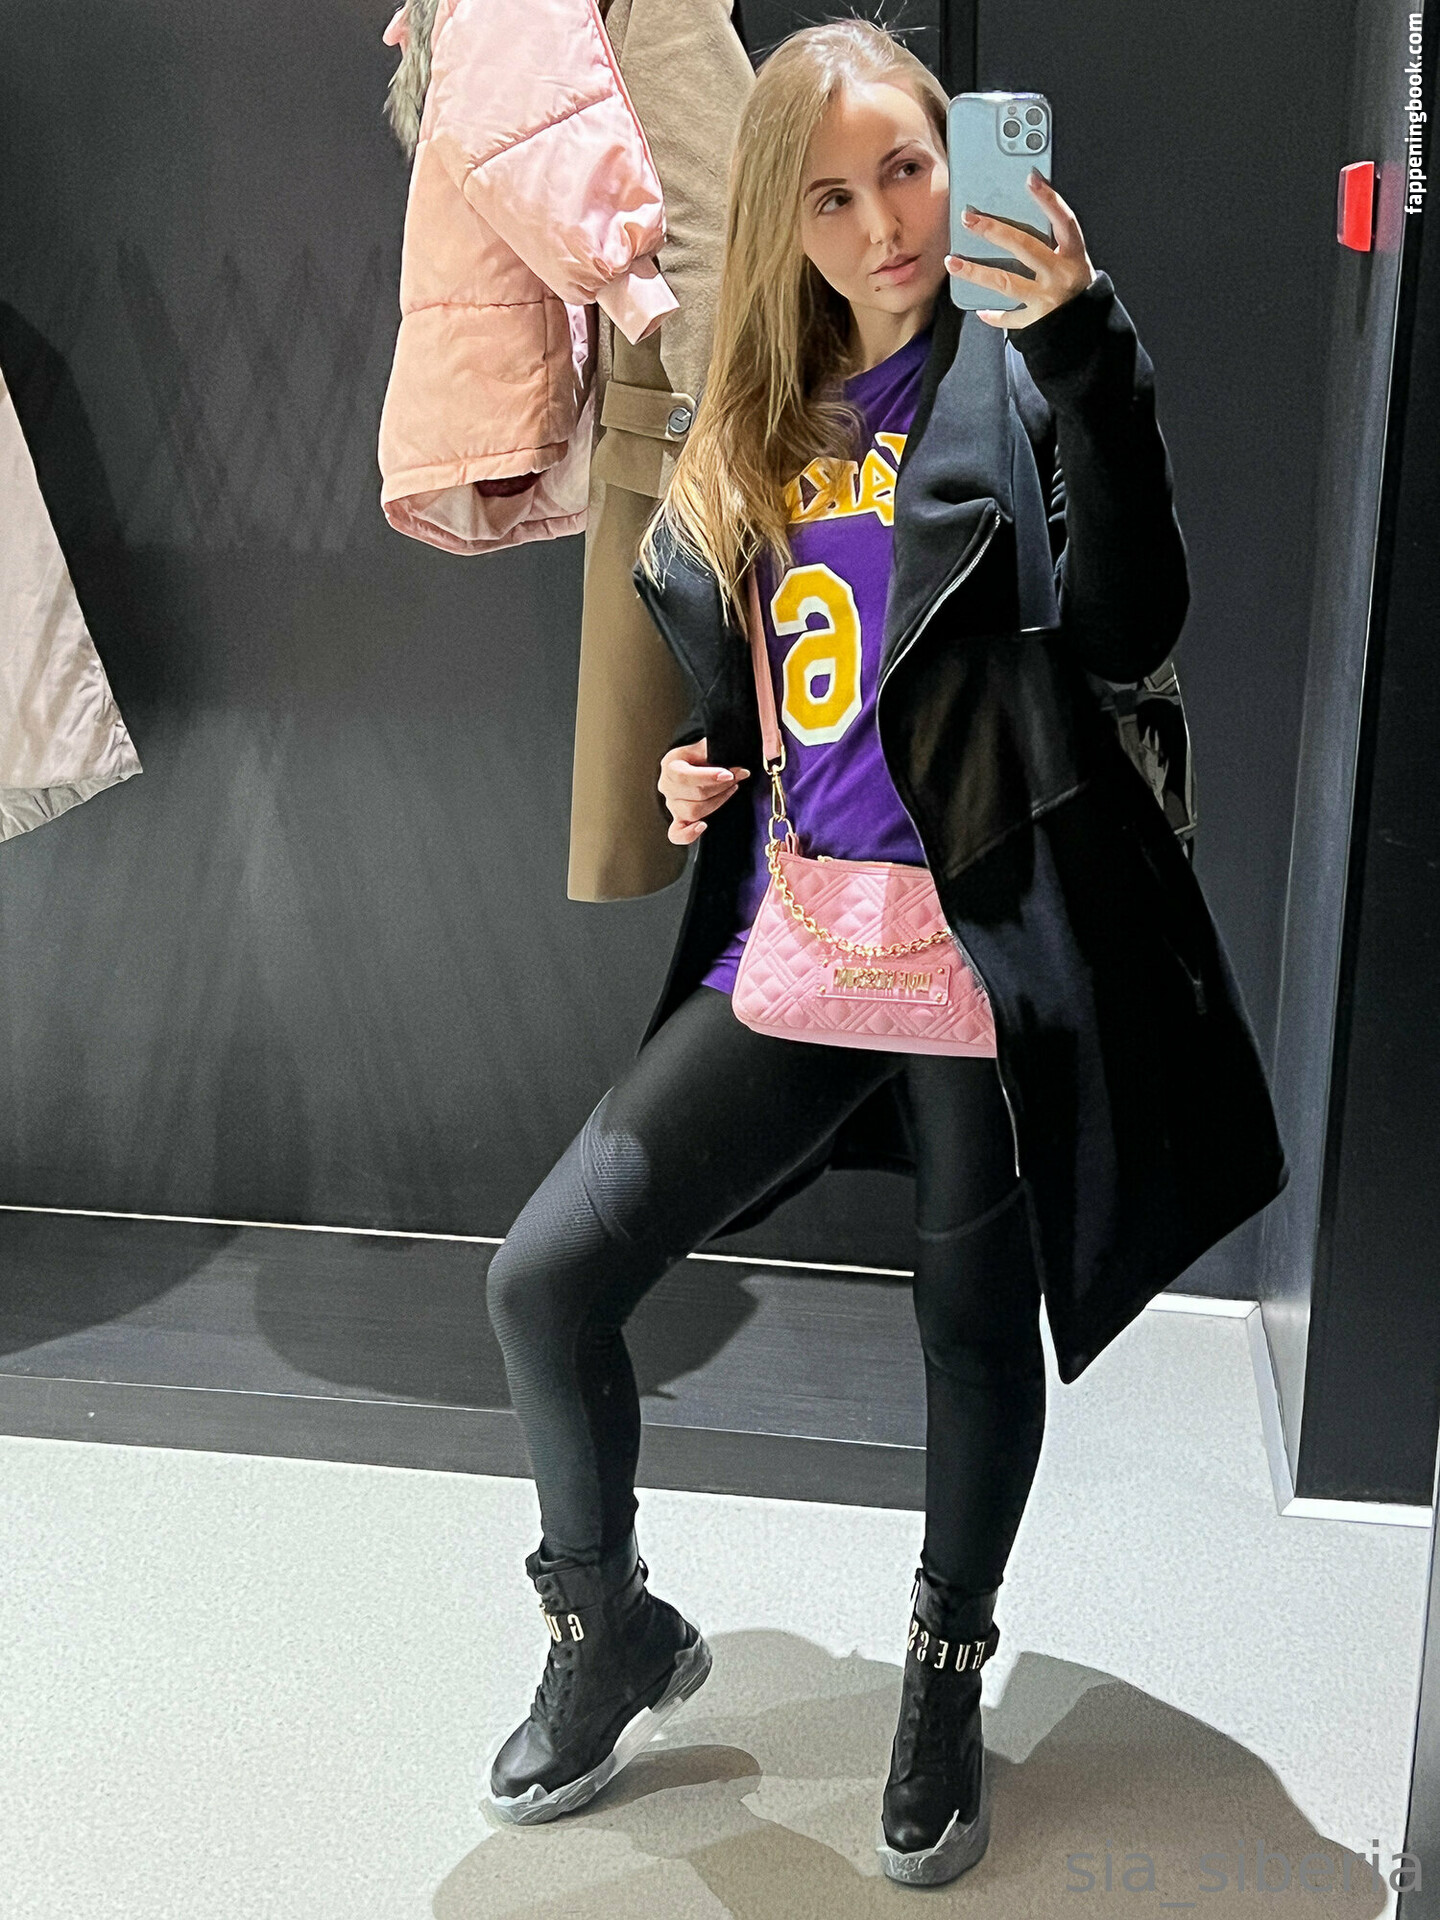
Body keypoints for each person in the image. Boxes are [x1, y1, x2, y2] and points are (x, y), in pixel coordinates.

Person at [482, 16, 1284, 1890]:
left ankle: (943, 1664)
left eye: (908, 170)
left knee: (966, 1333)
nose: (886, 224)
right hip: (807, 937)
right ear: (784, 218)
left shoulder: (1023, 375)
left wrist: (1085, 343)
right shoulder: (756, 420)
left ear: (957, 160)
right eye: (832, 196)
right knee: (543, 1281)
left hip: (978, 952)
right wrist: (715, 764)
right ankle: (608, 1625)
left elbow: (1126, 619)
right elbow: (797, 680)